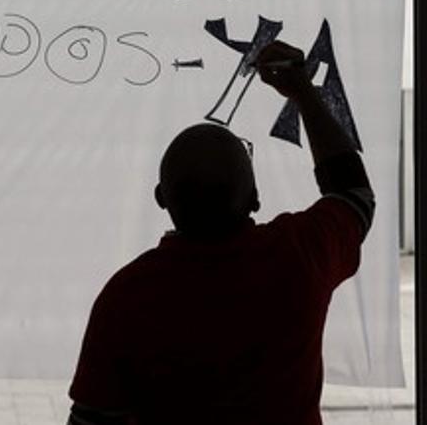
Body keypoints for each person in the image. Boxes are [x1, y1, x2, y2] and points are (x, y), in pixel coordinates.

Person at [68, 40, 374, 425]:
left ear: (162, 197)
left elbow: (91, 420)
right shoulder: (298, 257)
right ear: (256, 197)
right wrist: (303, 93)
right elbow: (353, 194)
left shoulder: (127, 296)